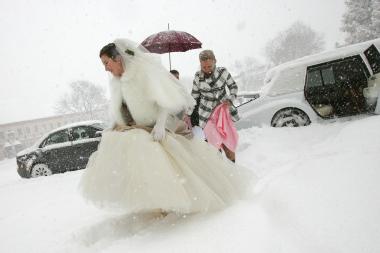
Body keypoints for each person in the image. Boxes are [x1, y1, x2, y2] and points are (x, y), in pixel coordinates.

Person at [79, 39, 253, 216]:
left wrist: (161, 125)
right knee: (134, 156)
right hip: (138, 128)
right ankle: (158, 204)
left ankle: (180, 201)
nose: (106, 68)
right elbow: (122, 109)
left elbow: (165, 100)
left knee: (177, 164)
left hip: (159, 126)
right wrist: (116, 125)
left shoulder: (142, 73)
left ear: (118, 59)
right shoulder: (117, 82)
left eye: (106, 63)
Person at [187, 50, 239, 162]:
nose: (207, 69)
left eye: (209, 66)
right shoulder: (197, 77)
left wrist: (230, 99)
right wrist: (187, 114)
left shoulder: (223, 72)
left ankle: (232, 168)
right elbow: (194, 97)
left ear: (215, 62)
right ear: (200, 64)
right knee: (214, 145)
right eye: (204, 67)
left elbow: (233, 87)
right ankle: (220, 170)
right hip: (206, 115)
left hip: (223, 112)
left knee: (228, 143)